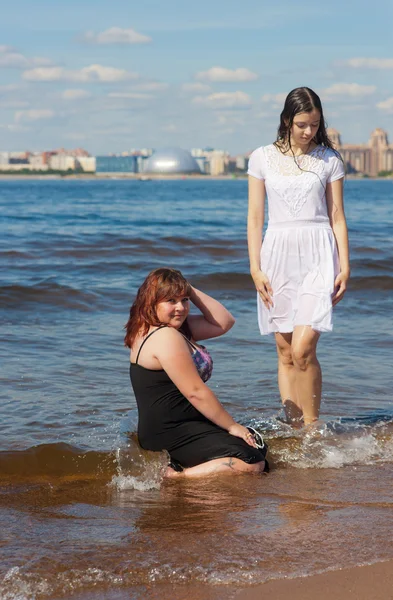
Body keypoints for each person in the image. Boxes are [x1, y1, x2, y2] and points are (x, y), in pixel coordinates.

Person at [247, 86, 350, 427]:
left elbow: (337, 216)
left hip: (319, 253)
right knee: (285, 351)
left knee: (304, 348)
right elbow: (255, 218)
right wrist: (255, 269)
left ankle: (312, 427)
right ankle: (293, 428)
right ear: (287, 120)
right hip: (277, 254)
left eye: (315, 124)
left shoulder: (329, 159)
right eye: (303, 124)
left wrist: (345, 266)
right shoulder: (262, 157)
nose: (309, 132)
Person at [124, 267, 268, 478]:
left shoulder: (162, 328)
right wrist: (232, 426)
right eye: (171, 300)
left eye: (184, 300)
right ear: (151, 302)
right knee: (252, 462)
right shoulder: (165, 337)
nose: (180, 308)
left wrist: (187, 287)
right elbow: (195, 392)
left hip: (181, 424)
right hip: (169, 431)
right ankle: (177, 476)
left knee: (259, 446)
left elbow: (224, 321)